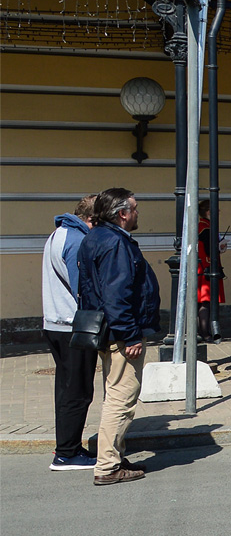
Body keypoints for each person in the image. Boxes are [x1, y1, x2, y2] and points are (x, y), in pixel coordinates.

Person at [77, 188, 160, 486]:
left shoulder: (97, 237)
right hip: (120, 334)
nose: (138, 213)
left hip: (107, 330)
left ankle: (114, 456)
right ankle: (108, 466)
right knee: (121, 398)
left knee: (114, 393)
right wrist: (130, 335)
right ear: (122, 213)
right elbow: (116, 294)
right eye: (135, 208)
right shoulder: (114, 243)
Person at [40, 195, 97, 471]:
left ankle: (67, 445)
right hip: (71, 325)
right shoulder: (77, 241)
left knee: (65, 391)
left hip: (54, 324)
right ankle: (67, 452)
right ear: (91, 220)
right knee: (78, 391)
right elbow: (82, 288)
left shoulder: (58, 233)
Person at [196, 200, 227, 343]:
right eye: (216, 210)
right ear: (209, 212)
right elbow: (210, 249)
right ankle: (205, 333)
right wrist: (219, 246)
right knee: (205, 302)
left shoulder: (201, 226)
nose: (219, 213)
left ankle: (202, 331)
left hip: (202, 267)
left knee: (202, 302)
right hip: (207, 268)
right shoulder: (206, 228)